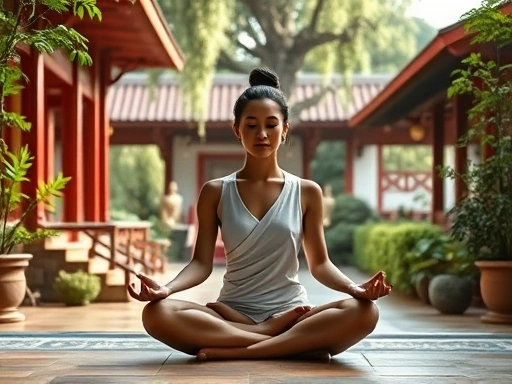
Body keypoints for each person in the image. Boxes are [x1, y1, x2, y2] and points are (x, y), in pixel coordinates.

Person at [128, 67, 392, 361]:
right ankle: (283, 342)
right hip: (232, 315)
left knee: (365, 311)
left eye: (271, 124)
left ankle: (238, 351)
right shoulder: (216, 191)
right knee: (157, 314)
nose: (262, 134)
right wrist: (166, 289)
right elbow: (201, 264)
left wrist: (355, 289)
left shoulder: (307, 191)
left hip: (291, 313)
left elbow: (320, 264)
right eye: (251, 125)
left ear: (285, 130)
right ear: (236, 129)